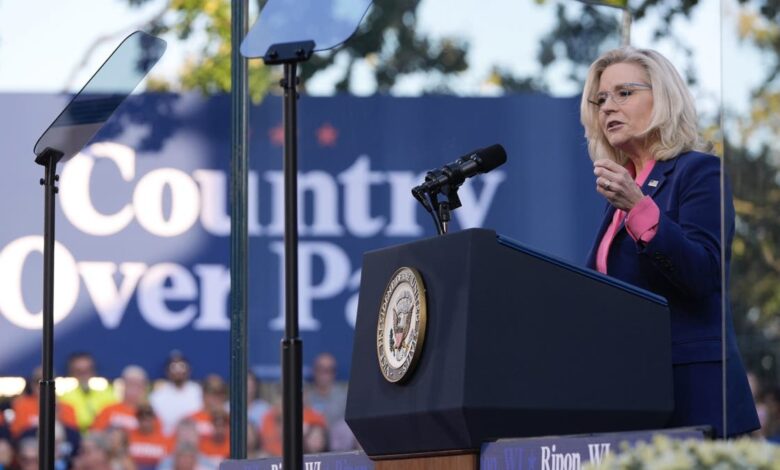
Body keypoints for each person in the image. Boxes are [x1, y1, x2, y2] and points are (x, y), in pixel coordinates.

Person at [580, 46, 759, 437]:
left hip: (691, 395)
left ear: (663, 98)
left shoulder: (700, 172)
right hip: (632, 394)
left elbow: (702, 273)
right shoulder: (623, 192)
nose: (608, 107)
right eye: (601, 99)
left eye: (623, 93)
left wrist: (640, 208)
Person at [60, 352, 118, 433]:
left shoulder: (108, 392)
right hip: (73, 438)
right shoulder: (62, 394)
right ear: (71, 372)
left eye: (88, 370)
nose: (84, 375)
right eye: (78, 371)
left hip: (103, 438)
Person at [149, 352, 203, 435]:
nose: (178, 371)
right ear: (167, 371)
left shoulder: (199, 392)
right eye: (173, 367)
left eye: (182, 366)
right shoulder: (157, 396)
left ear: (189, 370)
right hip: (167, 441)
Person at [92, 365, 155, 433]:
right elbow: (95, 435)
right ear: (123, 385)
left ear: (144, 388)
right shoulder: (109, 410)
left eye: (137, 385)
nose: (133, 389)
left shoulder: (148, 415)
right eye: (130, 384)